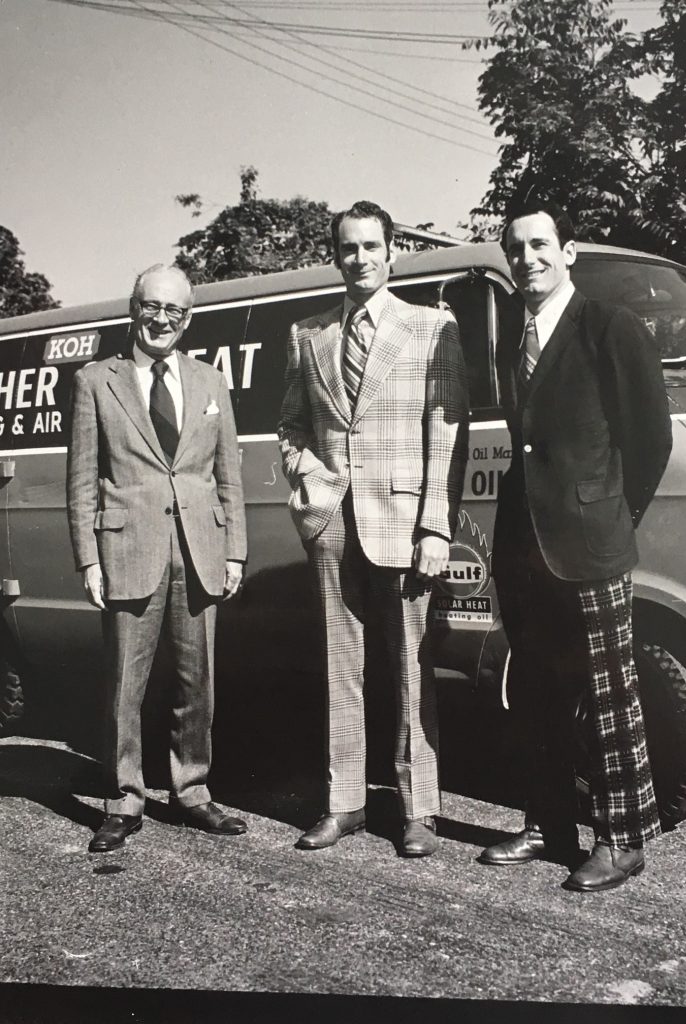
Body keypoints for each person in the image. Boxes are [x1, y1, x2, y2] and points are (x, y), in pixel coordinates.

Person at [482, 198, 672, 892]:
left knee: (610, 695)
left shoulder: (607, 328)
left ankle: (621, 841)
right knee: (535, 692)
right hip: (525, 549)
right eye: (515, 249)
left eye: (539, 245)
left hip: (591, 547)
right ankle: (548, 825)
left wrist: (613, 516)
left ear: (568, 254)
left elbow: (651, 440)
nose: (526, 258)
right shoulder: (512, 337)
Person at [277, 200, 469, 857]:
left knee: (411, 669)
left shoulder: (430, 327)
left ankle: (420, 812)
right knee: (341, 669)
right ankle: (345, 804)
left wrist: (435, 528)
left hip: (405, 525)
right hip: (333, 521)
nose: (359, 258)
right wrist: (312, 484)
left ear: (393, 253)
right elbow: (293, 423)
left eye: (370, 247)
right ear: (337, 258)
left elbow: (444, 433)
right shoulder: (309, 335)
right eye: (347, 249)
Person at [67, 264, 248, 853]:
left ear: (188, 318)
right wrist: (89, 560)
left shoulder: (210, 382)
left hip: (200, 549)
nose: (161, 319)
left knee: (198, 682)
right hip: (127, 548)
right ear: (133, 308)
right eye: (151, 306)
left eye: (174, 311)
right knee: (126, 684)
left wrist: (235, 553)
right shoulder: (98, 380)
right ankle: (123, 800)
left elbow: (229, 476)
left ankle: (192, 792)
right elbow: (82, 482)